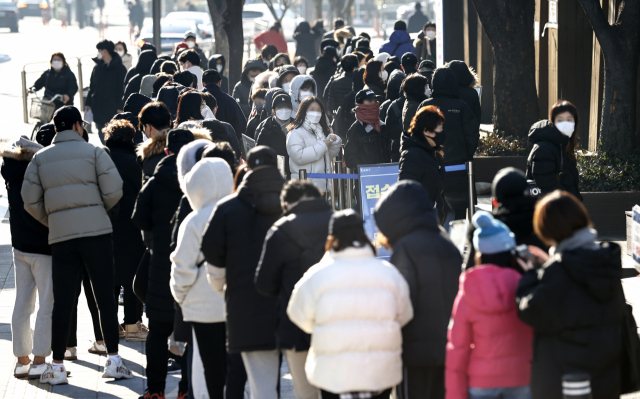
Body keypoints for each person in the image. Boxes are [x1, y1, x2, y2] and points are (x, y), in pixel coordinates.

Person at [21, 106, 132, 385]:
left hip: (62, 237)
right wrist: (98, 211)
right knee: (105, 297)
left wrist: (54, 220)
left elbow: (29, 200)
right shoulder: (95, 153)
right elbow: (114, 189)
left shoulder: (40, 158)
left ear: (56, 127)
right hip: (97, 234)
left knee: (64, 301)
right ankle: (114, 360)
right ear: (77, 126)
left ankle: (57, 366)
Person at [287, 209, 413, 398]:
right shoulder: (389, 273)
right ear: (364, 236)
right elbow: (405, 315)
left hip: (333, 374)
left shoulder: (318, 274)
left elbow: (298, 314)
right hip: (379, 374)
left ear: (332, 238)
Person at [516, 191, 624, 399]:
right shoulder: (605, 260)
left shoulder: (560, 271)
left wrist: (530, 274)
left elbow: (531, 310)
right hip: (607, 375)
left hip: (569, 378)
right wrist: (548, 265)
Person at [203, 146, 285, 399]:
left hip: (243, 306)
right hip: (288, 308)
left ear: (246, 168)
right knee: (282, 380)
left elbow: (212, 254)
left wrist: (223, 287)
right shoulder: (291, 205)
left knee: (247, 377)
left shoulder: (227, 208)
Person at [372, 180, 461, 399]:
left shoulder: (405, 248)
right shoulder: (446, 243)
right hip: (448, 349)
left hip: (413, 354)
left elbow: (401, 303)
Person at [254, 180, 332, 399]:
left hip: (296, 327)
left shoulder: (281, 230)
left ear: (287, 204)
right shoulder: (339, 223)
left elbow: (264, 283)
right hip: (338, 323)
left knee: (306, 392)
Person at [132, 129, 195, 399]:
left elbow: (138, 217)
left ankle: (156, 390)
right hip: (190, 264)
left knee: (157, 331)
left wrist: (157, 236)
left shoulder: (155, 181)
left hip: (160, 264)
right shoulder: (196, 181)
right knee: (191, 331)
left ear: (167, 151)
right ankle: (185, 390)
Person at [447, 211, 533, 399]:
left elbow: (457, 348)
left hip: (481, 382)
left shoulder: (468, 291)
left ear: (479, 254)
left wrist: (455, 394)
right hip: (520, 378)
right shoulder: (524, 286)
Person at [170, 157, 233, 399]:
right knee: (232, 367)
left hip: (200, 308)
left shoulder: (193, 220)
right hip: (235, 304)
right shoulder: (237, 213)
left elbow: (181, 266)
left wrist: (182, 298)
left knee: (207, 366)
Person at [3, 133, 53, 380]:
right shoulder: (39, 173)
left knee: (22, 303)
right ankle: (40, 361)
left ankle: (22, 361)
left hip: (19, 247)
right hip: (43, 247)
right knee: (47, 304)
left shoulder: (10, 174)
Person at [102, 120, 148, 342]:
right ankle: (132, 323)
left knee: (109, 276)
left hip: (105, 222)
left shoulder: (102, 159)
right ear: (131, 139)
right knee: (131, 275)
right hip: (130, 224)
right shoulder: (133, 161)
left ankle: (110, 326)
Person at [419, 67, 479, 220]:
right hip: (458, 167)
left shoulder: (425, 106)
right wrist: (466, 155)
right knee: (459, 212)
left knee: (434, 209)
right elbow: (472, 136)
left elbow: (416, 136)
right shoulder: (462, 106)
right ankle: (458, 240)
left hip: (431, 166)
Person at [463, 168, 546, 270]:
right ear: (530, 194)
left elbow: (470, 269)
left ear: (494, 202)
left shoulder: (482, 229)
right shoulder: (546, 222)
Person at [526, 100, 582, 201]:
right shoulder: (543, 148)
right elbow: (546, 183)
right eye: (560, 120)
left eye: (569, 120)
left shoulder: (565, 145)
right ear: (553, 122)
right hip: (548, 207)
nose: (565, 124)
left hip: (561, 205)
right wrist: (569, 201)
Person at [398, 105, 445, 222]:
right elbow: (405, 192)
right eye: (438, 128)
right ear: (425, 131)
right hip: (418, 221)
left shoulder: (433, 154)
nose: (441, 132)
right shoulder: (412, 155)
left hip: (431, 218)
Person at [287, 97, 342, 193]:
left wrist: (334, 142)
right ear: (304, 111)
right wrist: (323, 145)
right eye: (312, 109)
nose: (315, 113)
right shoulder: (295, 132)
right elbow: (298, 156)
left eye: (318, 110)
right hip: (304, 187)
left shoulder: (321, 130)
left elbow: (325, 156)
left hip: (322, 185)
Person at [85, 40, 127, 143]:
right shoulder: (97, 68)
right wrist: (88, 103)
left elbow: (122, 89)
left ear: (105, 51)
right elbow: (92, 87)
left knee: (113, 136)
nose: (98, 53)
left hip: (113, 109)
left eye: (99, 50)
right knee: (101, 133)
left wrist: (120, 106)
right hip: (98, 108)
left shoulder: (120, 69)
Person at [344, 89, 389, 169]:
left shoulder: (383, 126)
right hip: (367, 179)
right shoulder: (355, 130)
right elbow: (350, 159)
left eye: (375, 100)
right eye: (369, 100)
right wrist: (366, 171)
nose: (374, 103)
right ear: (360, 104)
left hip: (385, 177)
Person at [202, 69, 248, 142]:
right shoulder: (230, 101)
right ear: (220, 82)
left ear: (203, 83)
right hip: (225, 146)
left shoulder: (196, 99)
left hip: (200, 144)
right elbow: (242, 127)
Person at [256, 92, 294, 179]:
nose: (284, 110)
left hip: (295, 175)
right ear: (273, 111)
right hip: (274, 177)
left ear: (291, 109)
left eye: (287, 107)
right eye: (280, 107)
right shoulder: (266, 129)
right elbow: (261, 155)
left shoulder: (298, 127)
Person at [137, 101, 172, 179]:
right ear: (170, 123)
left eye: (142, 127)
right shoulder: (188, 143)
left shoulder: (150, 156)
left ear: (148, 127)